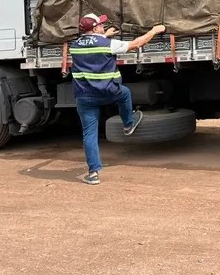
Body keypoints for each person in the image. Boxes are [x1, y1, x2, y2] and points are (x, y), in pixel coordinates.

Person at [70, 13, 166, 185]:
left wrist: (104, 36)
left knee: (89, 134)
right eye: (100, 25)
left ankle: (93, 173)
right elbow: (137, 43)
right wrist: (154, 30)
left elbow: (91, 45)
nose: (103, 27)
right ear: (94, 28)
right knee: (125, 93)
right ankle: (128, 124)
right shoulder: (109, 45)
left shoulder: (74, 46)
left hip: (84, 97)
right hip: (109, 92)